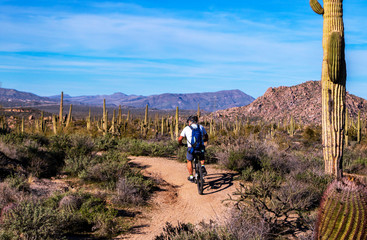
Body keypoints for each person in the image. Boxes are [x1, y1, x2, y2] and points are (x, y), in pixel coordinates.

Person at [178, 115, 209, 182]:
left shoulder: (186, 128)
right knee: (202, 156)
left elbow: (180, 138)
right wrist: (205, 141)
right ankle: (203, 166)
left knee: (189, 161)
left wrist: (181, 143)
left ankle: (191, 177)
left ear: (190, 121)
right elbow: (206, 136)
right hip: (200, 147)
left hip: (191, 148)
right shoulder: (201, 127)